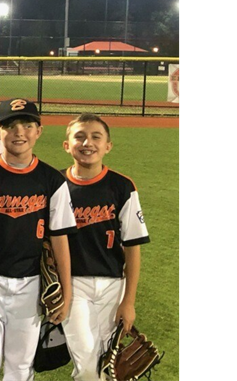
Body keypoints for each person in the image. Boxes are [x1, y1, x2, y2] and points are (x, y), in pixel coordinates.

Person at [0, 99, 77, 381]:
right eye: (10, 125)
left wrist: (67, 293)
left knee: (21, 367)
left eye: (27, 125)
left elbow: (60, 240)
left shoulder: (52, 180)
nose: (19, 132)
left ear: (39, 131)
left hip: (30, 282)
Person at [59, 114, 150, 381]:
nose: (87, 143)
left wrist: (128, 301)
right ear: (67, 145)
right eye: (79, 137)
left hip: (113, 285)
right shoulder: (56, 185)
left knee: (108, 364)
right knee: (87, 364)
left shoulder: (122, 186)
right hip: (73, 284)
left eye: (96, 137)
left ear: (107, 146)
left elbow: (132, 247)